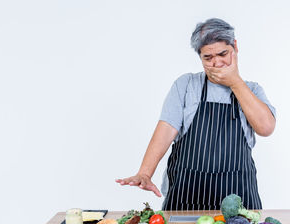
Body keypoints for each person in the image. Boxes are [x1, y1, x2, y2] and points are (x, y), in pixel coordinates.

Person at [116, 18, 276, 210]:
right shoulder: (186, 86)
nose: (216, 62)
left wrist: (234, 82)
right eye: (208, 58)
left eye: (223, 54)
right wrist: (145, 173)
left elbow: (266, 127)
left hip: (238, 204)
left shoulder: (251, 90)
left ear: (235, 47)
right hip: (186, 200)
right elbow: (165, 130)